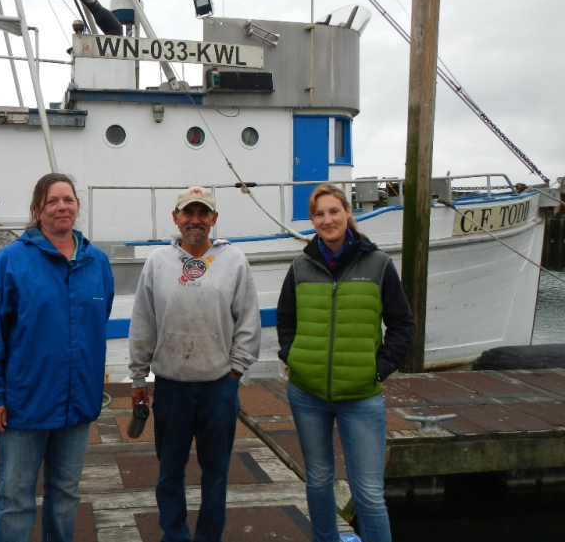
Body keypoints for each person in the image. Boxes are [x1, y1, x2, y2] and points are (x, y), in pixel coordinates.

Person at [0, 173, 114, 542]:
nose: (61, 207)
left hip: (77, 404)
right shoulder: (10, 261)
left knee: (65, 495)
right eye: (52, 201)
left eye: (68, 199)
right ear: (36, 210)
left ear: (77, 207)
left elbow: (99, 319)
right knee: (15, 500)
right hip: (22, 405)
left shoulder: (97, 263)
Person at [276, 183, 414, 542]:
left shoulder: (378, 264)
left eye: (334, 211)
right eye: (319, 214)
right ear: (312, 220)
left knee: (368, 493)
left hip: (362, 396)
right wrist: (292, 357)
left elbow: (402, 324)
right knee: (319, 479)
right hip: (307, 393)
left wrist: (379, 367)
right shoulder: (300, 266)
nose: (327, 220)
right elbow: (286, 319)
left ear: (348, 212)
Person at [128, 185, 261, 542]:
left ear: (214, 219)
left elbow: (248, 321)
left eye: (203, 213)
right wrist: (138, 377)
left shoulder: (234, 261)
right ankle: (174, 536)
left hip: (219, 387)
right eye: (188, 213)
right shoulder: (157, 262)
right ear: (176, 218)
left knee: (215, 474)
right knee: (170, 472)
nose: (195, 220)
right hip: (170, 387)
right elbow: (143, 323)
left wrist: (235, 372)